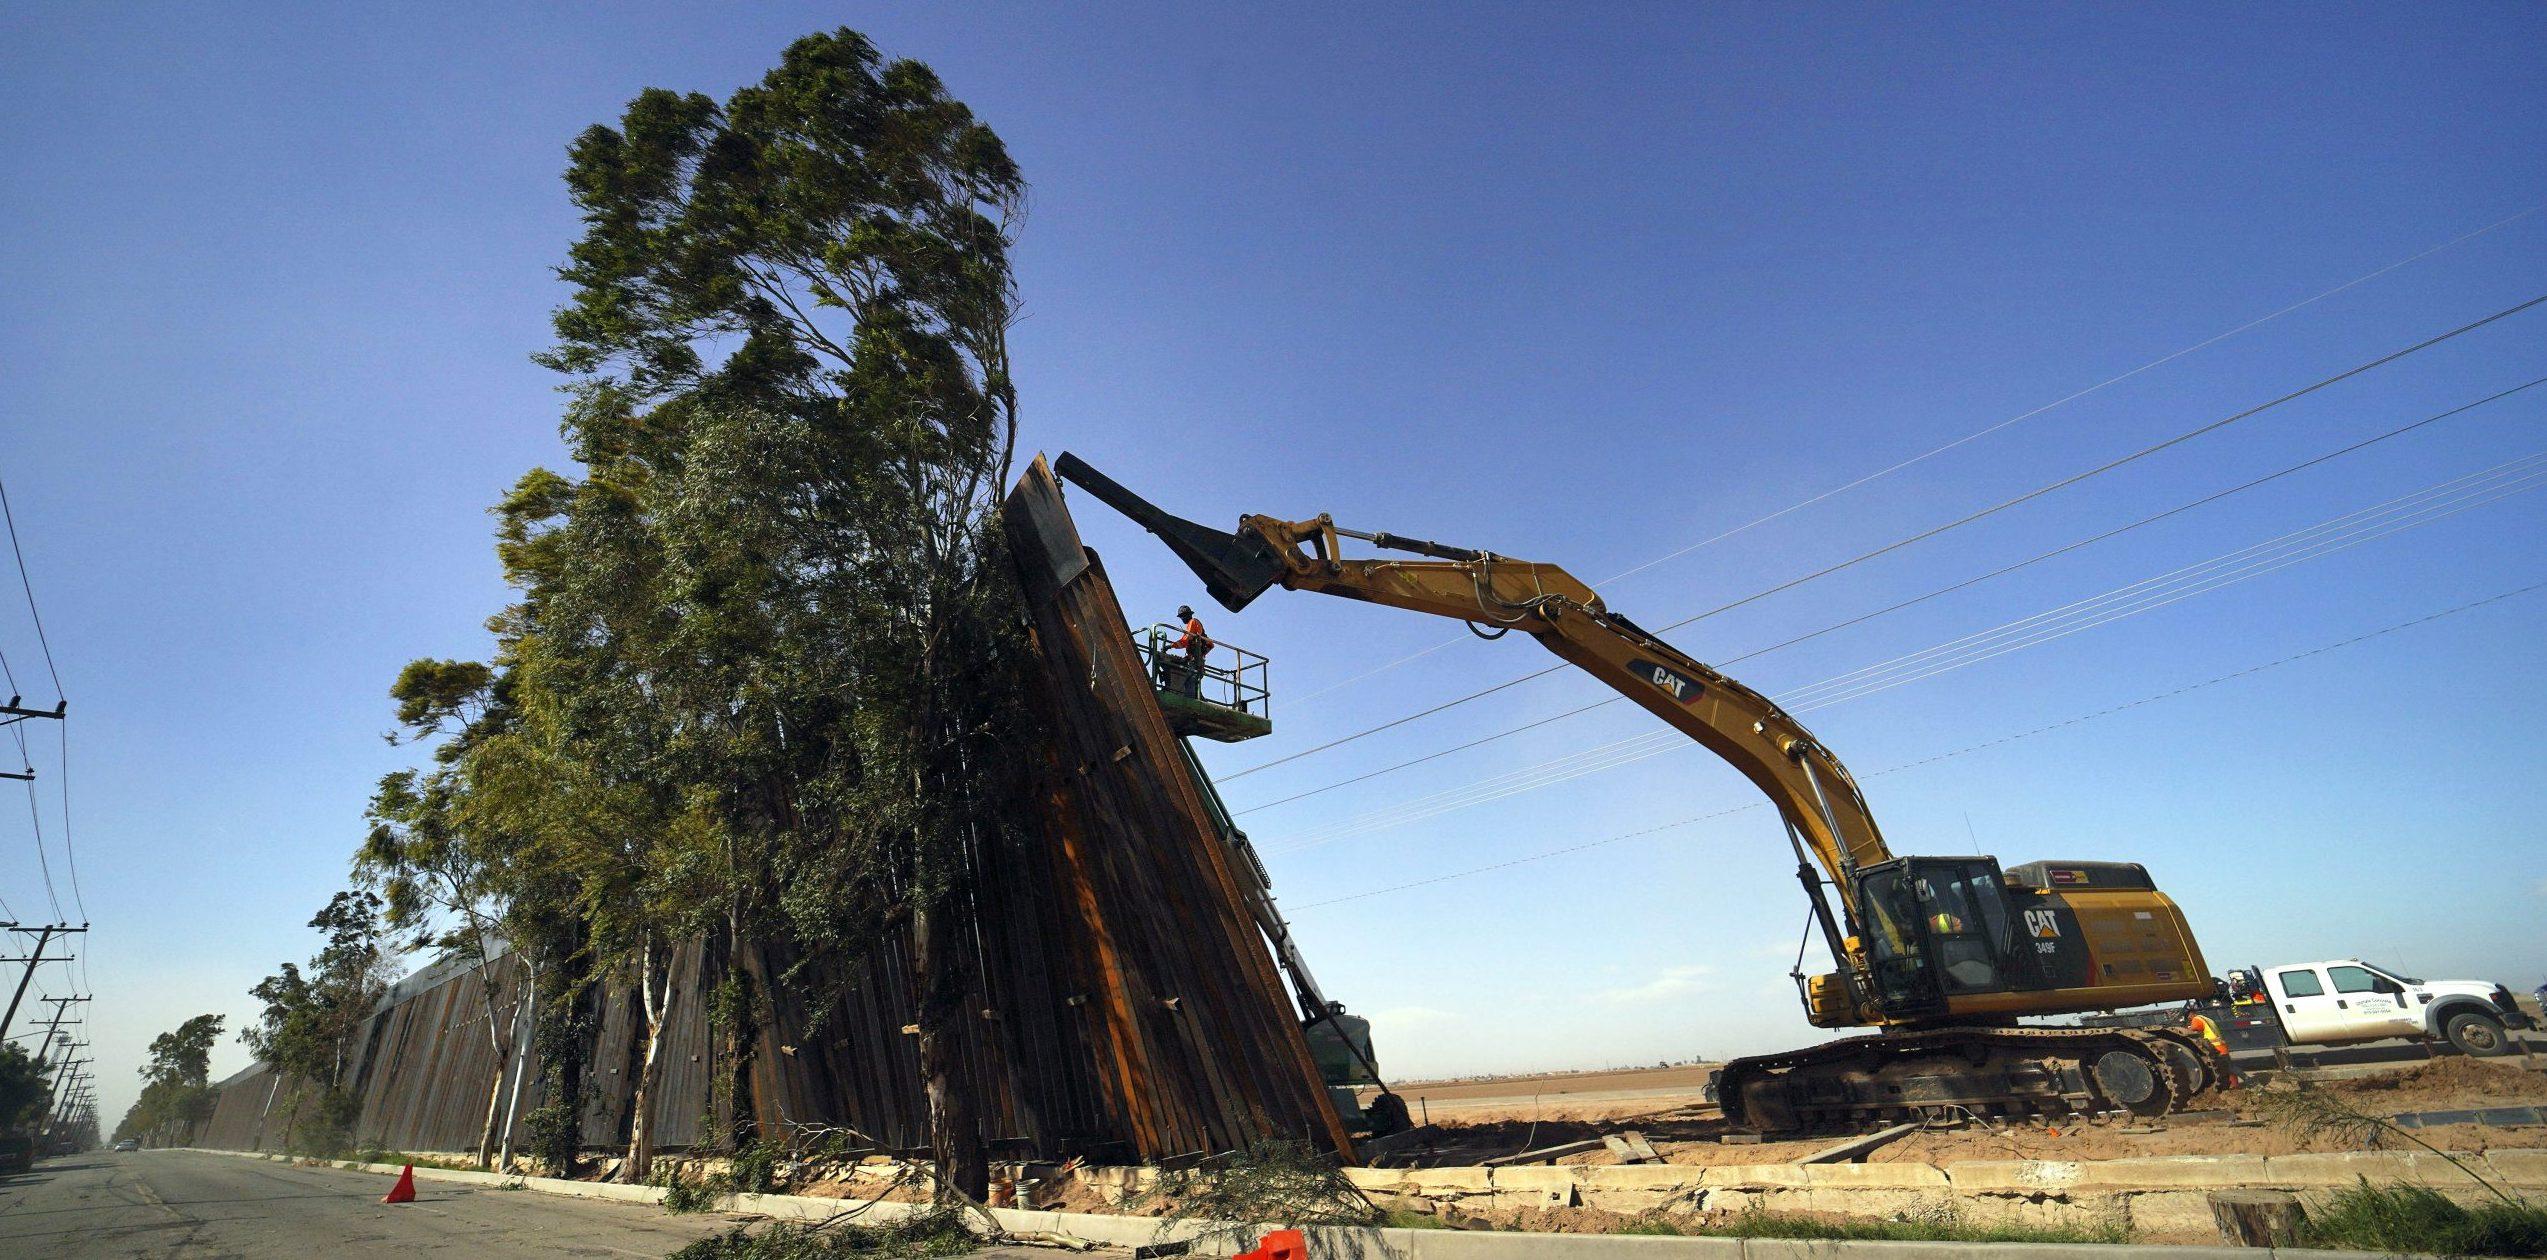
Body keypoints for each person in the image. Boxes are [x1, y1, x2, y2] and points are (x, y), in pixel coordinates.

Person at [1165, 604, 1213, 698]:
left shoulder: (1192, 622)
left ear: (1186, 615)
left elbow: (1185, 641)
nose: (1182, 619)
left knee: (1190, 679)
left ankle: (1191, 699)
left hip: (1196, 660)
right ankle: (1198, 698)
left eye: (1182, 617)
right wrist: (1189, 656)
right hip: (1196, 659)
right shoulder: (1194, 624)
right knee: (1192, 680)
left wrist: (1171, 645)